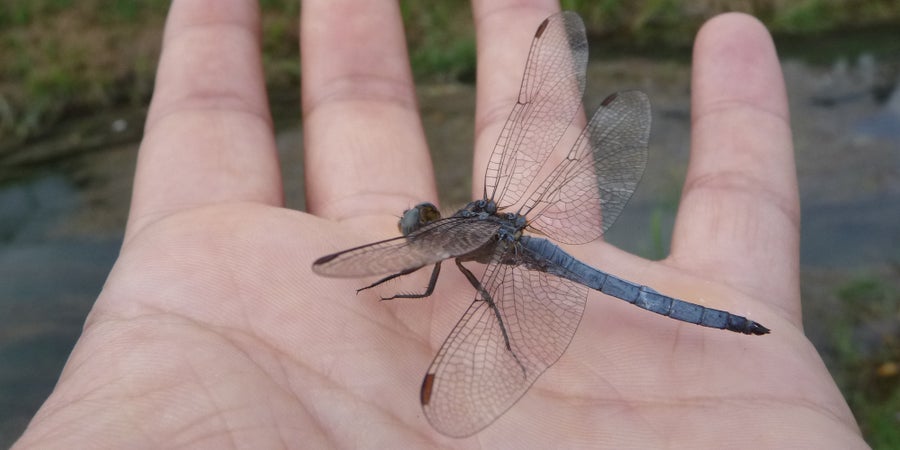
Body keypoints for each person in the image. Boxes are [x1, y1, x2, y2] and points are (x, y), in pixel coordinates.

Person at [15, 0, 867, 448]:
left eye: (423, 226)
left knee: (513, 306)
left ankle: (721, 324)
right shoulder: (477, 224)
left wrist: (398, 268)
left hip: (540, 259)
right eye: (425, 226)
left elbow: (424, 270)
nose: (422, 231)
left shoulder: (452, 245)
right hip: (526, 243)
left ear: (440, 227)